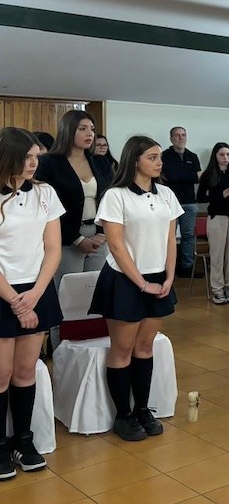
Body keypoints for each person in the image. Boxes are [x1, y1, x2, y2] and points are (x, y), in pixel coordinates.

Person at [90, 135, 183, 442]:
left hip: (158, 278)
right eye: (152, 157)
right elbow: (116, 246)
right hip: (125, 279)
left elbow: (171, 240)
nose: (159, 162)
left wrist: (169, 278)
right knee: (122, 349)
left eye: (159, 157)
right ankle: (123, 415)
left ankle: (142, 408)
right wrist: (142, 283)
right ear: (135, 160)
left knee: (145, 347)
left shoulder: (166, 194)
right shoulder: (115, 196)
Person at [0, 128, 64, 476]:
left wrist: (36, 294)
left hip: (36, 288)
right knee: (1, 374)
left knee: (26, 371)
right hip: (4, 291)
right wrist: (15, 300)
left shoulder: (45, 193)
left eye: (36, 157)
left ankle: (23, 440)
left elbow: (52, 249)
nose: (33, 163)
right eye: (26, 157)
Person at [34, 110, 109, 284]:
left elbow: (109, 198)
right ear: (68, 131)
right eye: (82, 129)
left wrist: (102, 232)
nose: (89, 134)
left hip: (98, 233)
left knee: (97, 288)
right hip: (66, 236)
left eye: (92, 129)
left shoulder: (100, 161)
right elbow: (47, 206)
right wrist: (78, 239)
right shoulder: (49, 163)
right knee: (68, 287)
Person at [196, 143, 229, 305]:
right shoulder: (208, 174)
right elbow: (200, 198)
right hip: (217, 216)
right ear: (215, 156)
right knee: (217, 254)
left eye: (228, 154)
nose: (225, 158)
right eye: (222, 155)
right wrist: (222, 194)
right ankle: (217, 289)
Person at [160, 127, 202, 278]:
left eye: (183, 135)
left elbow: (197, 178)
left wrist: (181, 176)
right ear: (171, 138)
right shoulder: (164, 156)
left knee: (188, 236)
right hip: (169, 203)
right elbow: (169, 176)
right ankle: (166, 268)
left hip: (189, 202)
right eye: (177, 135)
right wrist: (189, 176)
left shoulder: (193, 156)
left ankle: (187, 267)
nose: (181, 138)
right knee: (168, 236)